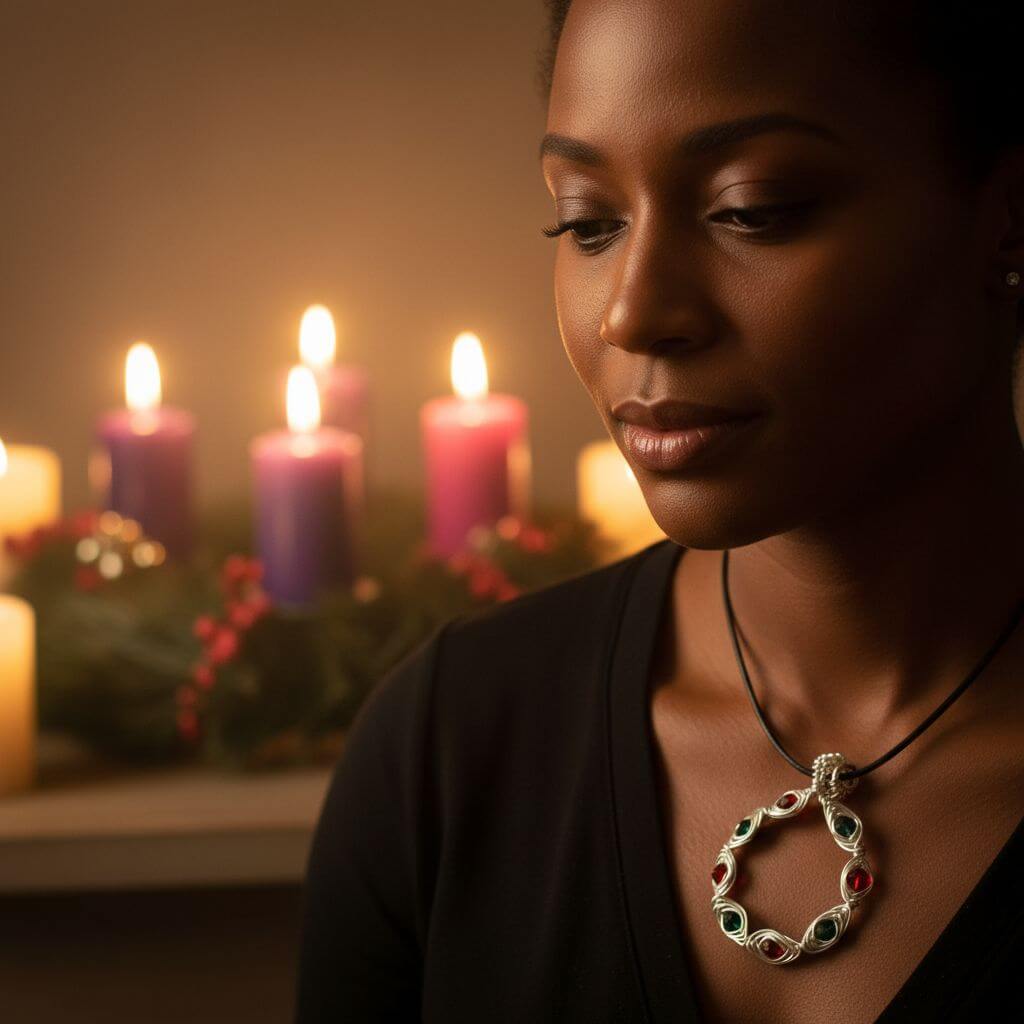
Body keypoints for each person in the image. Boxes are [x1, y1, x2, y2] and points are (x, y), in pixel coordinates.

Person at [296, 2, 1024, 1020]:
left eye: (751, 209)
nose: (631, 312)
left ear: (1006, 216)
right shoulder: (453, 747)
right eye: (588, 222)